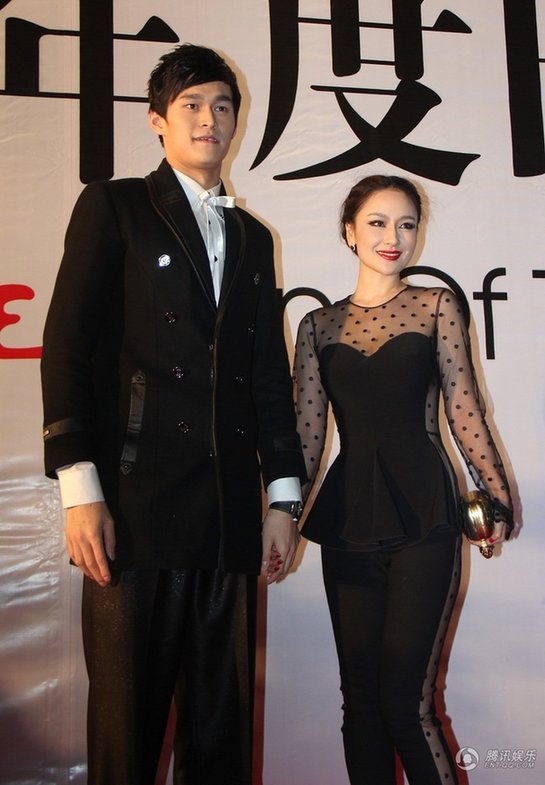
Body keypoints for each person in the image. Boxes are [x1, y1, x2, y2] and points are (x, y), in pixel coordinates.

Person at [41, 44, 306, 785]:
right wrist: (80, 490)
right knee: (126, 737)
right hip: (133, 508)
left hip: (227, 516)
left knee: (222, 741)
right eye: (191, 104)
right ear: (158, 120)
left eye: (222, 105)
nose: (209, 119)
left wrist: (282, 499)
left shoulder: (253, 238)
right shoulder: (115, 206)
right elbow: (65, 348)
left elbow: (266, 374)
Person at [293, 174, 514, 785]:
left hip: (425, 515)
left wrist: (493, 496)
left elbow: (464, 409)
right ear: (349, 232)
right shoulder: (317, 326)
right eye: (377, 222)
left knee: (406, 705)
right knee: (360, 706)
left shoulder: (436, 305)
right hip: (348, 520)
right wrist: (278, 516)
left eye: (407, 224)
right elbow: (307, 437)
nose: (393, 236)